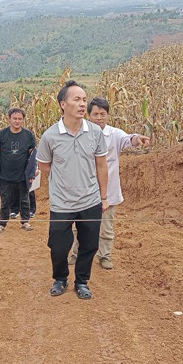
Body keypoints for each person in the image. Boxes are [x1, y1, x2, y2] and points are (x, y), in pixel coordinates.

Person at [37, 80, 109, 300]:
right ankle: (60, 279)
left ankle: (82, 281)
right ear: (62, 104)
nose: (82, 104)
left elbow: (101, 165)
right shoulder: (50, 136)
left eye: (84, 99)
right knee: (58, 246)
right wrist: (64, 182)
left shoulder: (95, 132)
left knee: (89, 245)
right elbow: (44, 165)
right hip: (62, 203)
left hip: (90, 200)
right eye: (76, 99)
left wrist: (103, 197)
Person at [69, 97, 150, 269]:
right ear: (88, 115)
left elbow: (129, 139)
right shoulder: (79, 133)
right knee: (79, 226)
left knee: (106, 227)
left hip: (109, 190)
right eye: (95, 114)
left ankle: (104, 256)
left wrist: (138, 139)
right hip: (84, 189)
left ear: (107, 115)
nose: (99, 117)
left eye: (102, 114)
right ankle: (76, 254)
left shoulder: (114, 134)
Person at [0, 107, 37, 234]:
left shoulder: (28, 136)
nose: (17, 121)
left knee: (24, 199)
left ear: (23, 120)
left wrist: (32, 172)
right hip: (5, 176)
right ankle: (2, 224)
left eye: (20, 119)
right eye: (14, 118)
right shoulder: (1, 135)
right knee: (5, 201)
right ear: (9, 119)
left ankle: (25, 222)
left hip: (22, 176)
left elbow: (32, 157)